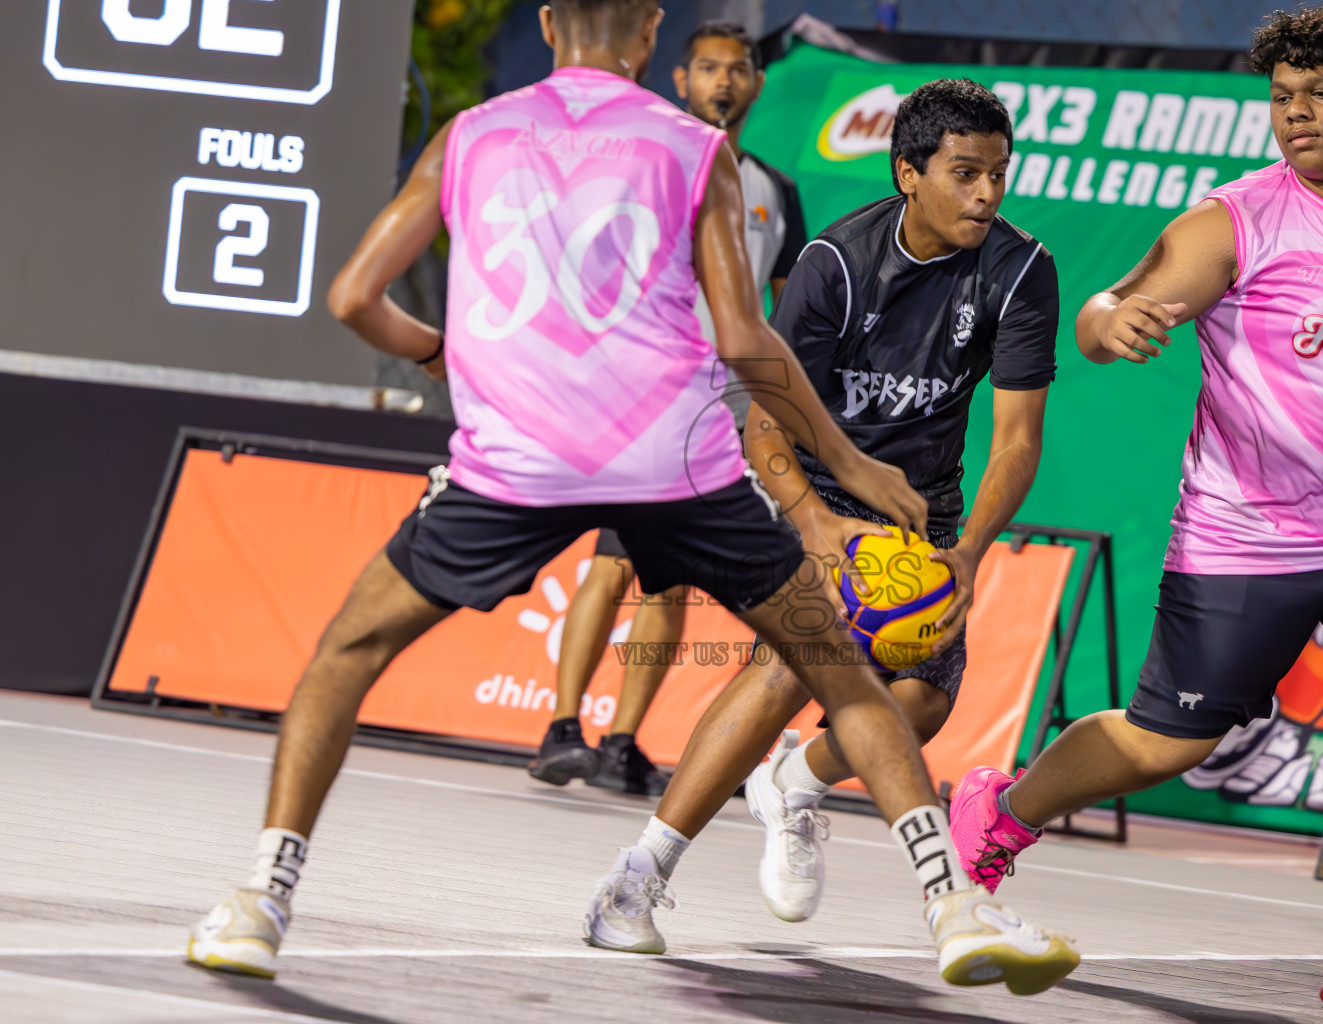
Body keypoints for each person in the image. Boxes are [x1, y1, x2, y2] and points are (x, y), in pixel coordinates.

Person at [184, 0, 1065, 995]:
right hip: (668, 460)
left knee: (347, 649)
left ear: (552, 23)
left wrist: (439, 349)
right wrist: (850, 472)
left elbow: (352, 296)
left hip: (519, 457)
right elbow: (744, 340)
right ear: (650, 36)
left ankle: (262, 897)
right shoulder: (696, 151)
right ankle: (950, 904)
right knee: (836, 667)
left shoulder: (471, 135)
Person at [948, 5, 1323, 1022]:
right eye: (1281, 98)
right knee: (1164, 740)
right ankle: (1003, 809)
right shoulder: (1237, 221)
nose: (1295, 114)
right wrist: (1110, 323)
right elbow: (1105, 309)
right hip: (1243, 533)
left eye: (1320, 94)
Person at [582, 77, 1072, 971]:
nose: (987, 194)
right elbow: (762, 413)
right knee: (794, 659)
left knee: (922, 699)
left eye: (999, 174)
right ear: (908, 172)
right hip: (803, 487)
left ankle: (793, 782)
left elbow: (1018, 441)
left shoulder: (1020, 270)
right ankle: (633, 882)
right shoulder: (836, 264)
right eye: (965, 174)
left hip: (920, 509)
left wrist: (966, 552)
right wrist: (812, 521)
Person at [529, 20, 808, 796]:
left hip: (722, 411)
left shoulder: (775, 192)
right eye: (709, 68)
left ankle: (620, 743)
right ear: (679, 80)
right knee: (614, 561)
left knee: (669, 580)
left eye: (739, 69)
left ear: (756, 84)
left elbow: (784, 316)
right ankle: (560, 727)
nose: (725, 81)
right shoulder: (644, 162)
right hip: (644, 394)